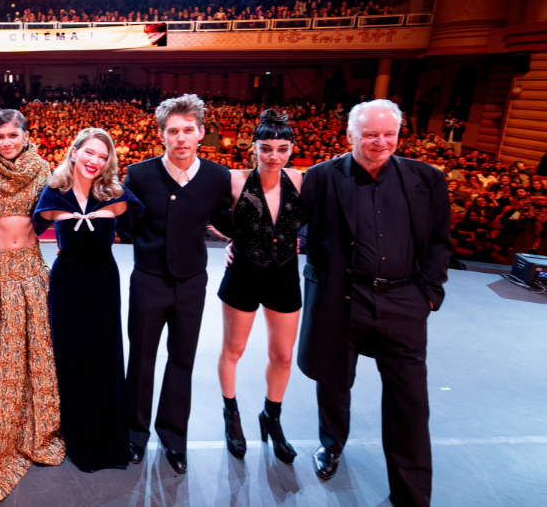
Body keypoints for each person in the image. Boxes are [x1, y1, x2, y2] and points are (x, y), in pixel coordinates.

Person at [299, 99, 451, 507]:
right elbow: (287, 224)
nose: (380, 142)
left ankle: (411, 494)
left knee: (410, 403)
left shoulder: (427, 178)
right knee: (334, 381)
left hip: (404, 302)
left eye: (389, 134)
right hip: (340, 299)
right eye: (370, 134)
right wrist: (244, 245)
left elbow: (439, 240)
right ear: (350, 135)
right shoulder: (321, 177)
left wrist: (429, 294)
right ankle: (331, 445)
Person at [118, 94, 233, 474]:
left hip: (192, 283)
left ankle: (173, 437)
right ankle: (135, 434)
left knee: (182, 361)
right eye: (173, 131)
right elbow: (127, 227)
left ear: (201, 133)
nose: (180, 137)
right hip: (148, 280)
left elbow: (228, 222)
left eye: (188, 130)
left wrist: (244, 242)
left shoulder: (217, 177)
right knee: (141, 360)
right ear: (161, 135)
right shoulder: (139, 174)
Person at [0, 109, 64, 501]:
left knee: (33, 350)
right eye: (0, 136)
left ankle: (35, 424)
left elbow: (53, 210)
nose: (6, 142)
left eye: (13, 135)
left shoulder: (44, 170)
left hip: (31, 269)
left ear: (25, 136)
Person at [34, 128, 143, 472]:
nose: (95, 160)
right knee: (69, 356)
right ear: (75, 151)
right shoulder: (53, 193)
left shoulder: (117, 195)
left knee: (103, 356)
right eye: (90, 152)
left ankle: (106, 434)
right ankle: (73, 432)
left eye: (103, 156)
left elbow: (145, 231)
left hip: (103, 285)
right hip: (66, 286)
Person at [218, 110, 304, 463]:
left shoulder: (298, 179)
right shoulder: (234, 180)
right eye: (266, 148)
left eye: (282, 149)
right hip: (243, 274)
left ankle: (271, 416)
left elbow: (312, 220)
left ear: (291, 149)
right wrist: (229, 241)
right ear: (253, 147)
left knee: (283, 356)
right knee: (233, 350)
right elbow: (206, 215)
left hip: (285, 276)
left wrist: (299, 239)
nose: (273, 156)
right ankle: (231, 415)